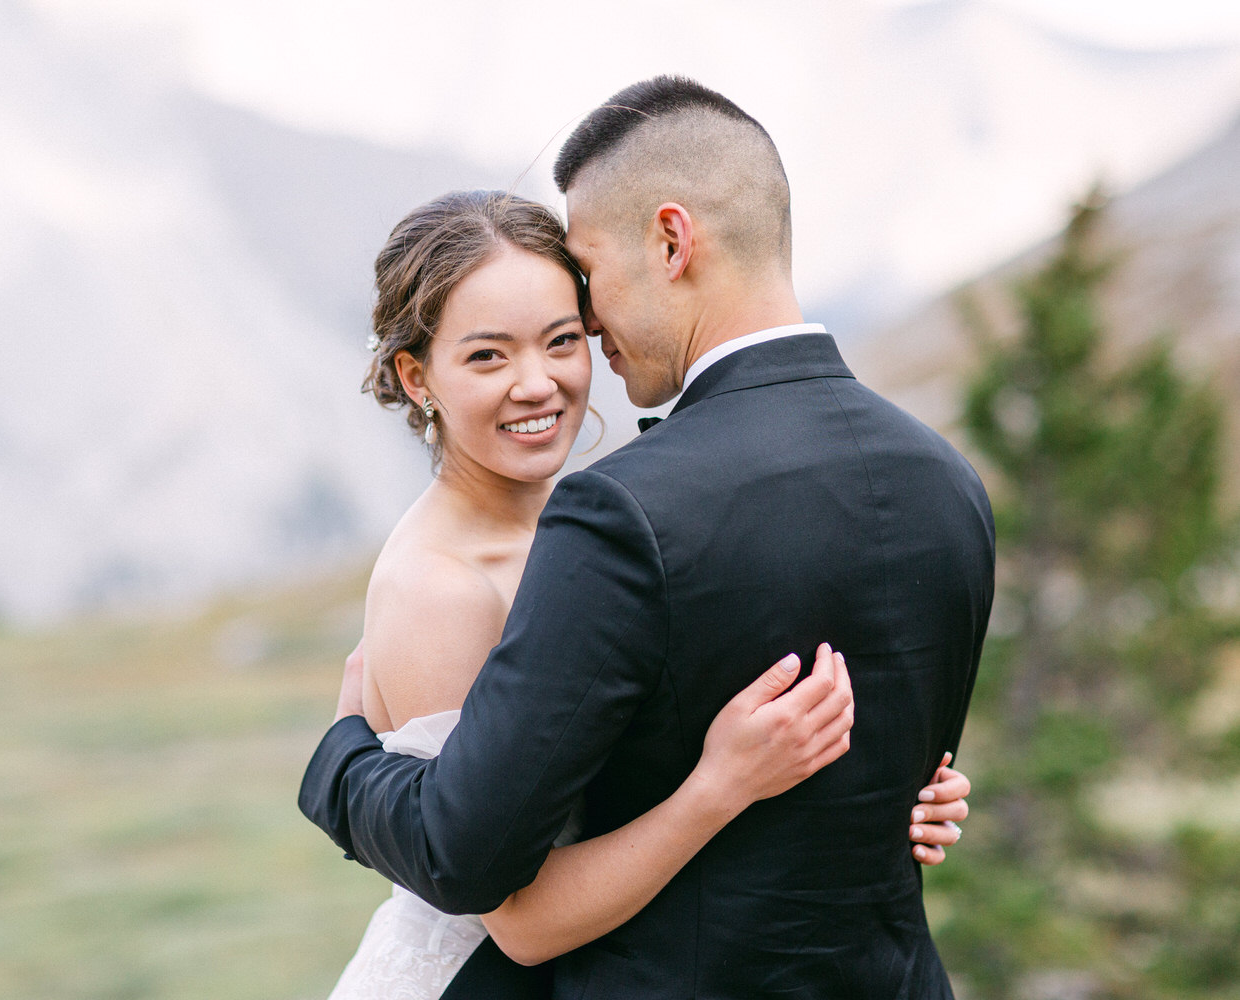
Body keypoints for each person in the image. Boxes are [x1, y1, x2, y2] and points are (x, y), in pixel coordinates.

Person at [314, 185, 974, 1000]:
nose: (537, 383)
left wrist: (886, 788)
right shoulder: (439, 589)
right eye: (488, 355)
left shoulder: (594, 526)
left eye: (561, 341)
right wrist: (719, 787)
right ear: (418, 377)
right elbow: (519, 921)